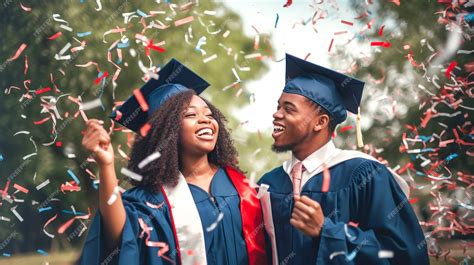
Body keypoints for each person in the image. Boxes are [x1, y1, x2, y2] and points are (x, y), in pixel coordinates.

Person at [79, 59, 266, 265]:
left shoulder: (242, 187)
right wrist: (106, 165)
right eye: (191, 115)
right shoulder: (154, 199)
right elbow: (121, 236)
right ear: (166, 130)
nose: (205, 120)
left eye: (209, 114)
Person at [257, 54, 429, 264]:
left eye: (288, 109)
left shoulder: (365, 174)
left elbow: (403, 253)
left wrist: (327, 232)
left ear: (320, 122)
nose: (277, 114)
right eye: (278, 106)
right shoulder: (269, 183)